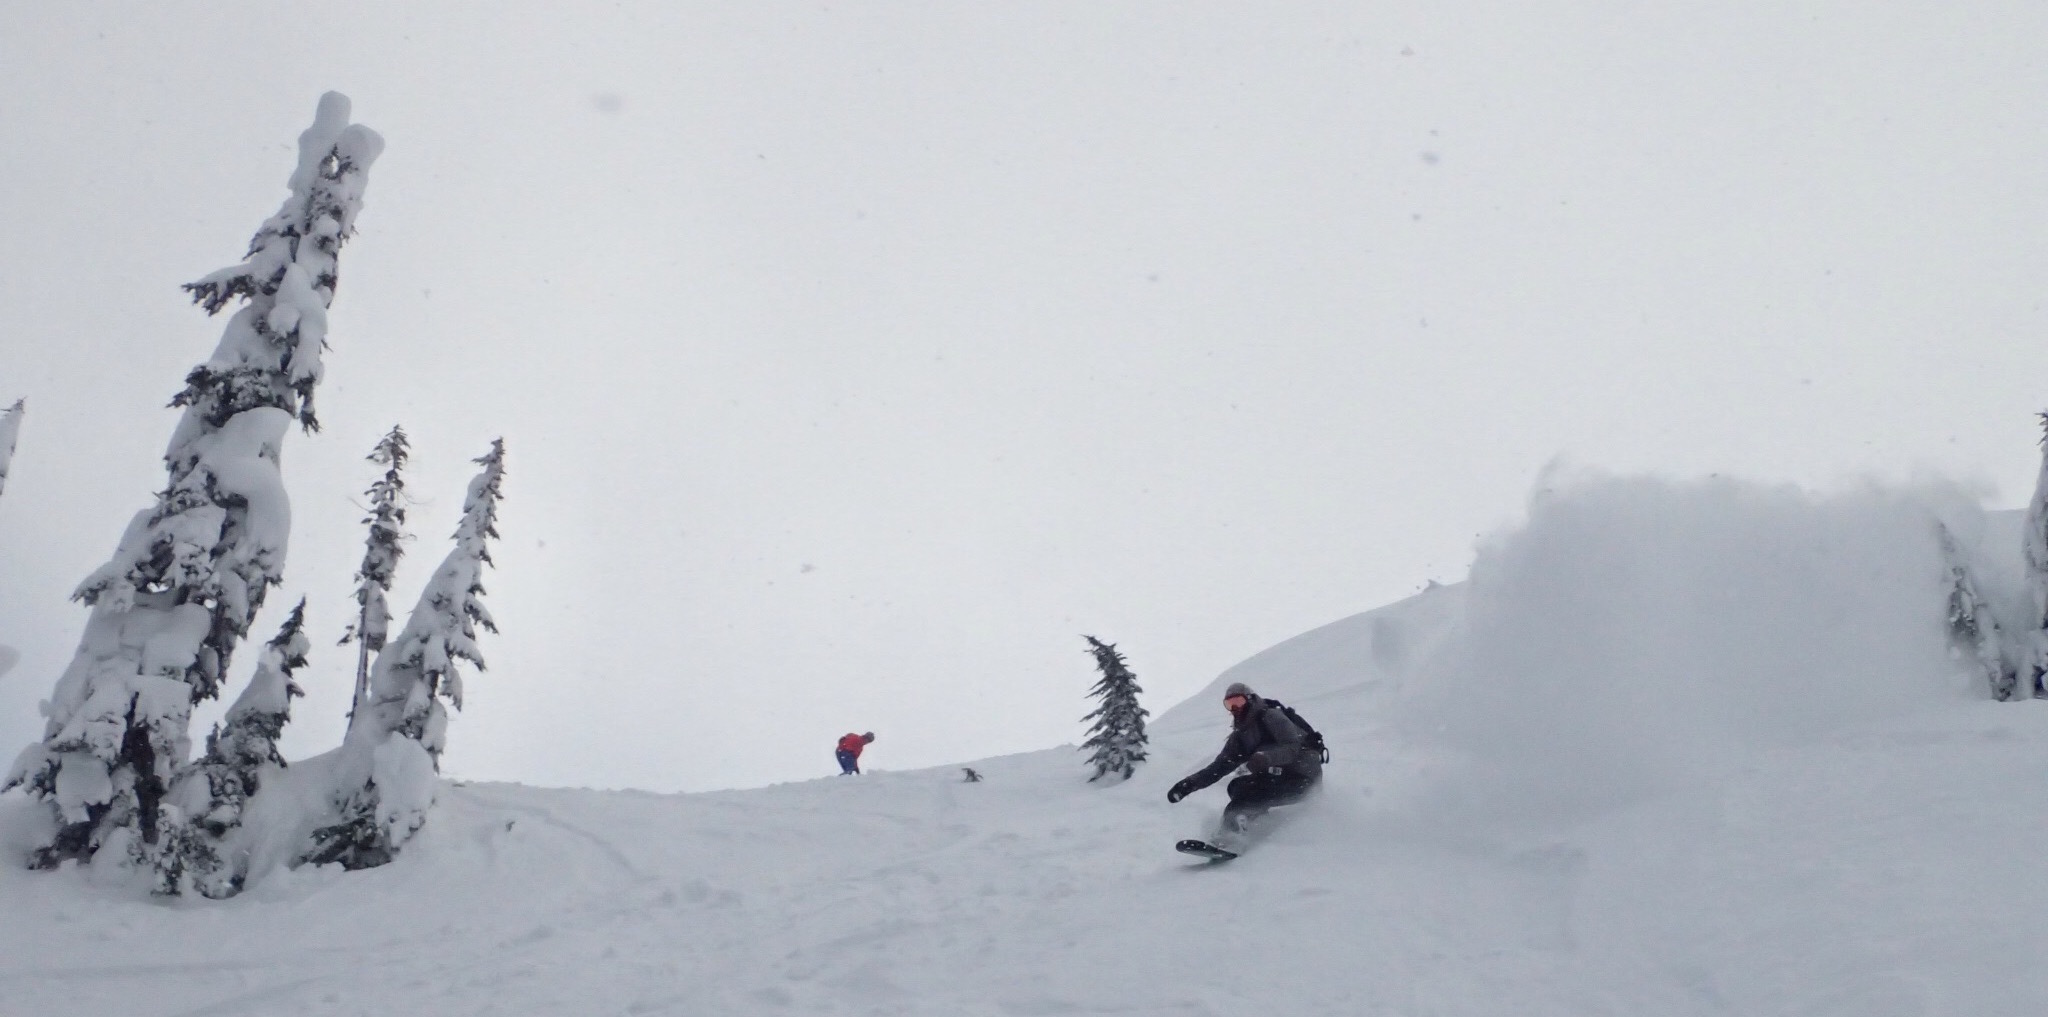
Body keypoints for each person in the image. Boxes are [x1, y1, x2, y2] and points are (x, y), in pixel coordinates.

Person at [1166, 682, 1321, 832]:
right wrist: (1189, 784)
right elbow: (1219, 767)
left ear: (1250, 699)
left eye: (1238, 701)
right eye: (1229, 704)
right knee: (1237, 787)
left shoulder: (1271, 716)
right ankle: (1247, 825)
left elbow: (1292, 747)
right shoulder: (1241, 736)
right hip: (1277, 778)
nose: (1235, 708)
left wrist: (1266, 757)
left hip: (1302, 779)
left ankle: (1229, 838)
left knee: (1248, 795)